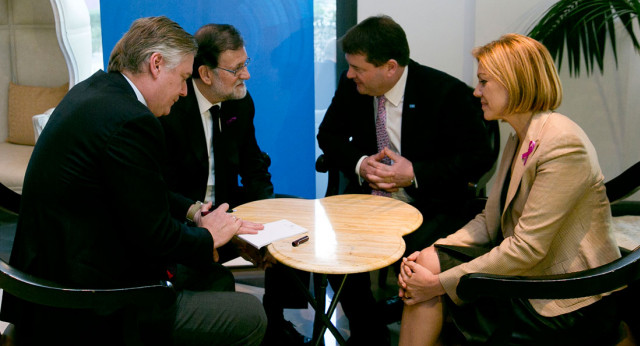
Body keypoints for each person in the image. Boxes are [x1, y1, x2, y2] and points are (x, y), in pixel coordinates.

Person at [0, 16, 267, 346]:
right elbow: (155, 237)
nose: (184, 91)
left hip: (50, 277)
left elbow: (139, 191)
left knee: (214, 280)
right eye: (183, 77)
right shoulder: (132, 121)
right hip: (86, 302)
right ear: (156, 64)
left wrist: (193, 212)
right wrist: (209, 237)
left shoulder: (96, 91)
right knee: (252, 315)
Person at [397, 33, 621, 346]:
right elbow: (490, 222)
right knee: (421, 269)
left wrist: (440, 284)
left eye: (483, 82)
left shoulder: (562, 144)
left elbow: (527, 249)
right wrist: (434, 251)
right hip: (531, 270)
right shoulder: (520, 136)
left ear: (514, 82)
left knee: (427, 286)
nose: (476, 93)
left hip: (561, 294)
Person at [316, 15, 496, 345]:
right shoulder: (351, 84)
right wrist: (360, 165)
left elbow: (478, 158)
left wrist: (414, 174)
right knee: (332, 252)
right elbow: (328, 135)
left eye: (359, 68)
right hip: (366, 198)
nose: (351, 74)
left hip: (430, 202)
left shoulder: (446, 93)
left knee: (416, 257)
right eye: (350, 67)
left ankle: (418, 322)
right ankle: (368, 330)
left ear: (390, 67)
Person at [159, 24, 310, 345]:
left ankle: (276, 316)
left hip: (227, 201)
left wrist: (268, 215)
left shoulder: (239, 101)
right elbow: (158, 188)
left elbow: (253, 164)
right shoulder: (169, 107)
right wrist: (201, 220)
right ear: (206, 73)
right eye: (237, 68)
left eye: (246, 64)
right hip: (184, 214)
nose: (247, 75)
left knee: (293, 220)